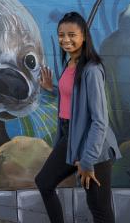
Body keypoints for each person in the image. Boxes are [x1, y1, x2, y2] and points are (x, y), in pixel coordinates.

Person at [35, 12, 121, 223]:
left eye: (72, 35)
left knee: (98, 207)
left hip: (93, 145)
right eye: (61, 35)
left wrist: (88, 160)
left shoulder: (91, 70)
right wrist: (51, 89)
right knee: (44, 183)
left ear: (84, 36)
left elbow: (100, 120)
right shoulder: (70, 63)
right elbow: (75, 99)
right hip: (70, 135)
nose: (66, 40)